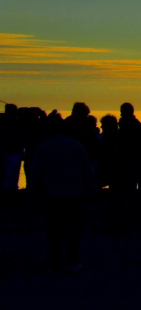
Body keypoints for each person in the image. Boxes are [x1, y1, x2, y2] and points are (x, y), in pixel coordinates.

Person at [29, 114, 96, 274]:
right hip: (75, 193)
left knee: (54, 232)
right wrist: (92, 189)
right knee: (73, 230)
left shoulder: (44, 147)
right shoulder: (76, 145)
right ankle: (72, 262)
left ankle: (55, 264)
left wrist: (32, 192)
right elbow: (87, 170)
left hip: (52, 194)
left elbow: (35, 172)